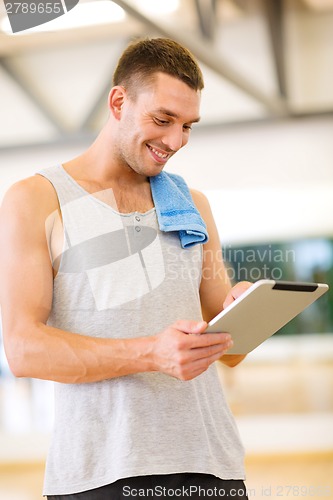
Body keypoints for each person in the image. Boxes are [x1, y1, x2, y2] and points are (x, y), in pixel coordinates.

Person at [0, 38, 251, 499]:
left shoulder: (192, 204)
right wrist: (152, 354)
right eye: (162, 120)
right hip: (102, 473)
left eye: (187, 126)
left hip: (212, 465)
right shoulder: (36, 200)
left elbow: (229, 351)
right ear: (119, 101)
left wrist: (247, 312)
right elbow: (23, 348)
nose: (175, 142)